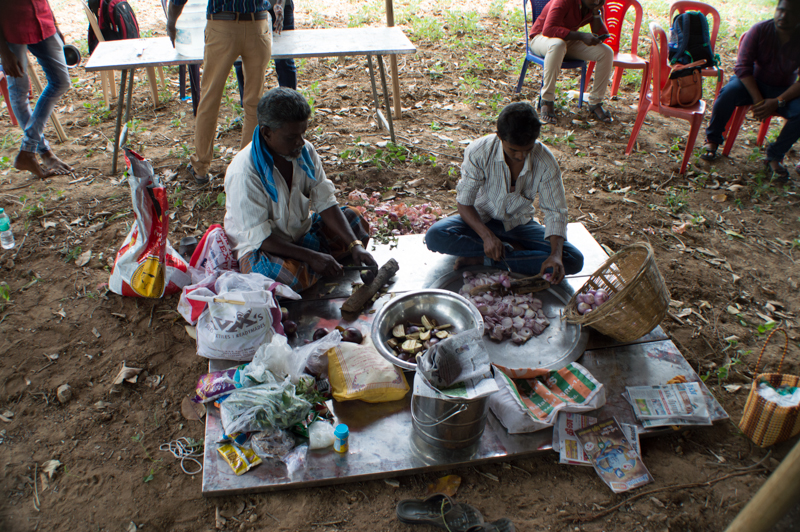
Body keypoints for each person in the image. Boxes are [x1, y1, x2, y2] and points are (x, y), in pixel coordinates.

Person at [223, 88, 377, 291]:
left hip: (301, 235)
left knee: (354, 219)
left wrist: (354, 244)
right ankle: (316, 264)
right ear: (267, 133)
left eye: (302, 134)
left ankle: (314, 267)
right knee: (278, 276)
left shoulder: (305, 152)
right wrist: (312, 256)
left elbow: (326, 203)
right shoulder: (245, 172)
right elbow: (262, 239)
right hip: (264, 249)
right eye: (291, 137)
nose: (300, 142)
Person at [424, 102, 584, 285]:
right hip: (481, 221)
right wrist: (487, 236)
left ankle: (484, 259)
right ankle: (515, 254)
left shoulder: (545, 161)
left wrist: (555, 255)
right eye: (513, 150)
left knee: (571, 259)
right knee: (435, 235)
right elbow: (464, 202)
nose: (520, 157)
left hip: (518, 225)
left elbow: (555, 212)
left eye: (528, 149)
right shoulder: (479, 151)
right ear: (499, 136)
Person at [166, 0, 273, 185]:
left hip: (222, 26)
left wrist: (171, 21)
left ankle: (200, 168)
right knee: (254, 103)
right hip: (258, 25)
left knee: (210, 98)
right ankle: (248, 168)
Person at [700, 0, 800, 184]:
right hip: (752, 82)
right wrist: (759, 101)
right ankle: (712, 140)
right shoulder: (760, 30)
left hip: (783, 90)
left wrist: (777, 101)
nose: (783, 16)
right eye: (781, 10)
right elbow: (742, 68)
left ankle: (775, 156)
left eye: (791, 13)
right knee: (727, 93)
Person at [0, 0, 72, 179]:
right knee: (19, 93)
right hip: (12, 30)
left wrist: (55, 24)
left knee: (61, 81)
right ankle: (44, 152)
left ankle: (27, 149)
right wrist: (4, 53)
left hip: (43, 21)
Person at [529, 0, 613, 124]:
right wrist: (581, 36)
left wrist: (596, 13)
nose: (596, 1)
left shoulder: (595, 5)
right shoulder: (564, 1)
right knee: (558, 45)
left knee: (606, 52)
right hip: (541, 38)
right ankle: (546, 100)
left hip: (565, 41)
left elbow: (601, 34)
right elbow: (548, 30)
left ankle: (595, 102)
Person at [234, 0, 297, 103]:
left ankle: (290, 106)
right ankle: (247, 107)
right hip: (246, 9)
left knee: (284, 59)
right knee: (242, 58)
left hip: (278, 5)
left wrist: (279, 5)